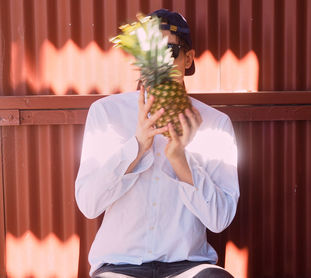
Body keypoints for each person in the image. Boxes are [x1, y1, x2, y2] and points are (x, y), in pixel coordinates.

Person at [75, 9, 240, 278]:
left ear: (188, 59)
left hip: (188, 265)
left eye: (170, 51)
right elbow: (88, 203)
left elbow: (219, 219)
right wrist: (137, 146)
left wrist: (181, 160)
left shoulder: (215, 124)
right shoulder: (106, 114)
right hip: (119, 266)